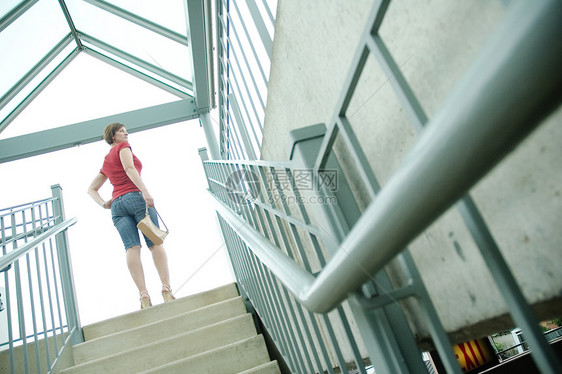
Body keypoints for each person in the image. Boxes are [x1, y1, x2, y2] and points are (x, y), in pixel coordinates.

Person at [88, 122, 175, 309]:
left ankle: (143, 295)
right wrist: (145, 191)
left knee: (131, 248)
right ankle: (166, 289)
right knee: (155, 243)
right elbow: (129, 169)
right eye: (121, 131)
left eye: (126, 130)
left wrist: (104, 203)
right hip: (135, 197)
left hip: (117, 207)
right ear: (113, 136)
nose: (126, 133)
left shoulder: (106, 160)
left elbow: (91, 189)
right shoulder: (123, 147)